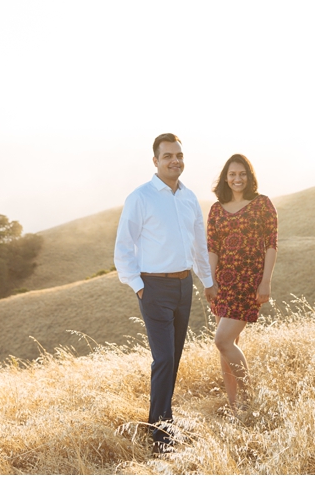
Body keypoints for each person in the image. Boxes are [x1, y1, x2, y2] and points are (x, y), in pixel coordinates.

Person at [114, 133, 217, 454]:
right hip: (153, 287)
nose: (175, 161)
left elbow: (199, 245)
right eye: (168, 155)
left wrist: (207, 282)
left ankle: (161, 418)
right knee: (164, 358)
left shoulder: (188, 198)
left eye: (179, 155)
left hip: (184, 285)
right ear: (155, 160)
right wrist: (138, 285)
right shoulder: (141, 197)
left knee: (174, 358)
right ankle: (160, 434)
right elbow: (123, 246)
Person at [207, 153, 278, 410]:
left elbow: (271, 244)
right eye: (232, 174)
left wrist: (266, 281)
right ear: (226, 178)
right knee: (228, 347)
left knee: (222, 340)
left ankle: (252, 400)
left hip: (249, 282)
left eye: (242, 174)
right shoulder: (216, 209)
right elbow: (212, 247)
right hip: (222, 283)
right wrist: (209, 282)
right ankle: (235, 406)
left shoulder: (262, 204)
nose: (237, 179)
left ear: (249, 177)